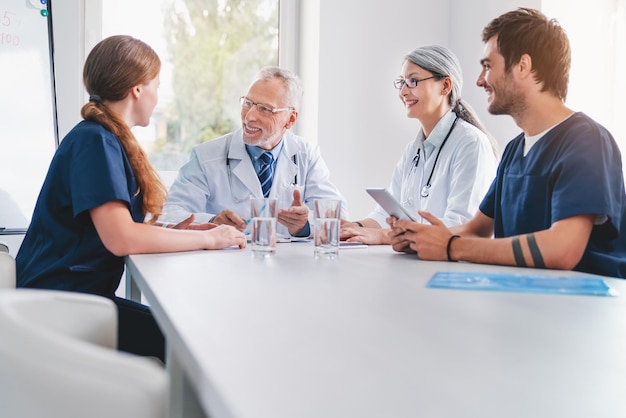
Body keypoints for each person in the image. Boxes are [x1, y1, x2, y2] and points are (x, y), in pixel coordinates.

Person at [16, 35, 247, 362]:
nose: (157, 95)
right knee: (192, 348)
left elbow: (116, 227)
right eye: (155, 84)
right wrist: (209, 238)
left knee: (182, 335)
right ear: (137, 89)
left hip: (69, 299)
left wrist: (179, 233)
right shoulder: (95, 142)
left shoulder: (100, 138)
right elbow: (121, 237)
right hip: (57, 306)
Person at [390, 8, 626, 278]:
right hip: (524, 302)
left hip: (579, 309)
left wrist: (452, 247)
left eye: (488, 66)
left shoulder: (586, 140)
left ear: (523, 66)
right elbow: (474, 229)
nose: (480, 80)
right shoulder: (515, 150)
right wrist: (419, 239)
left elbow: (563, 249)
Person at [162, 66, 347, 238]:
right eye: (247, 103)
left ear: (290, 119)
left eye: (265, 109)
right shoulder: (206, 156)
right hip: (226, 264)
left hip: (289, 266)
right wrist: (212, 222)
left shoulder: (306, 154)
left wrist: (304, 226)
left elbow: (338, 217)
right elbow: (170, 213)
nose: (249, 117)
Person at [341, 45, 498, 244]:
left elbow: (459, 226)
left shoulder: (471, 143)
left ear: (445, 86)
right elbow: (385, 214)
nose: (403, 92)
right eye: (401, 83)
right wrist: (351, 228)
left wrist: (384, 237)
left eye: (413, 81)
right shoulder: (413, 150)